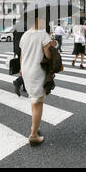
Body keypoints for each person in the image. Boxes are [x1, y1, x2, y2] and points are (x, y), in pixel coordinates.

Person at [19, 13, 56, 146]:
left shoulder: (25, 35)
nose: (43, 21)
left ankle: (35, 126)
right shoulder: (42, 34)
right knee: (38, 102)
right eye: (41, 18)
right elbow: (48, 55)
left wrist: (21, 70)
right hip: (37, 71)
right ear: (36, 20)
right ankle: (33, 135)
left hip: (26, 71)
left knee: (33, 100)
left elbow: (22, 56)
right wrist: (51, 44)